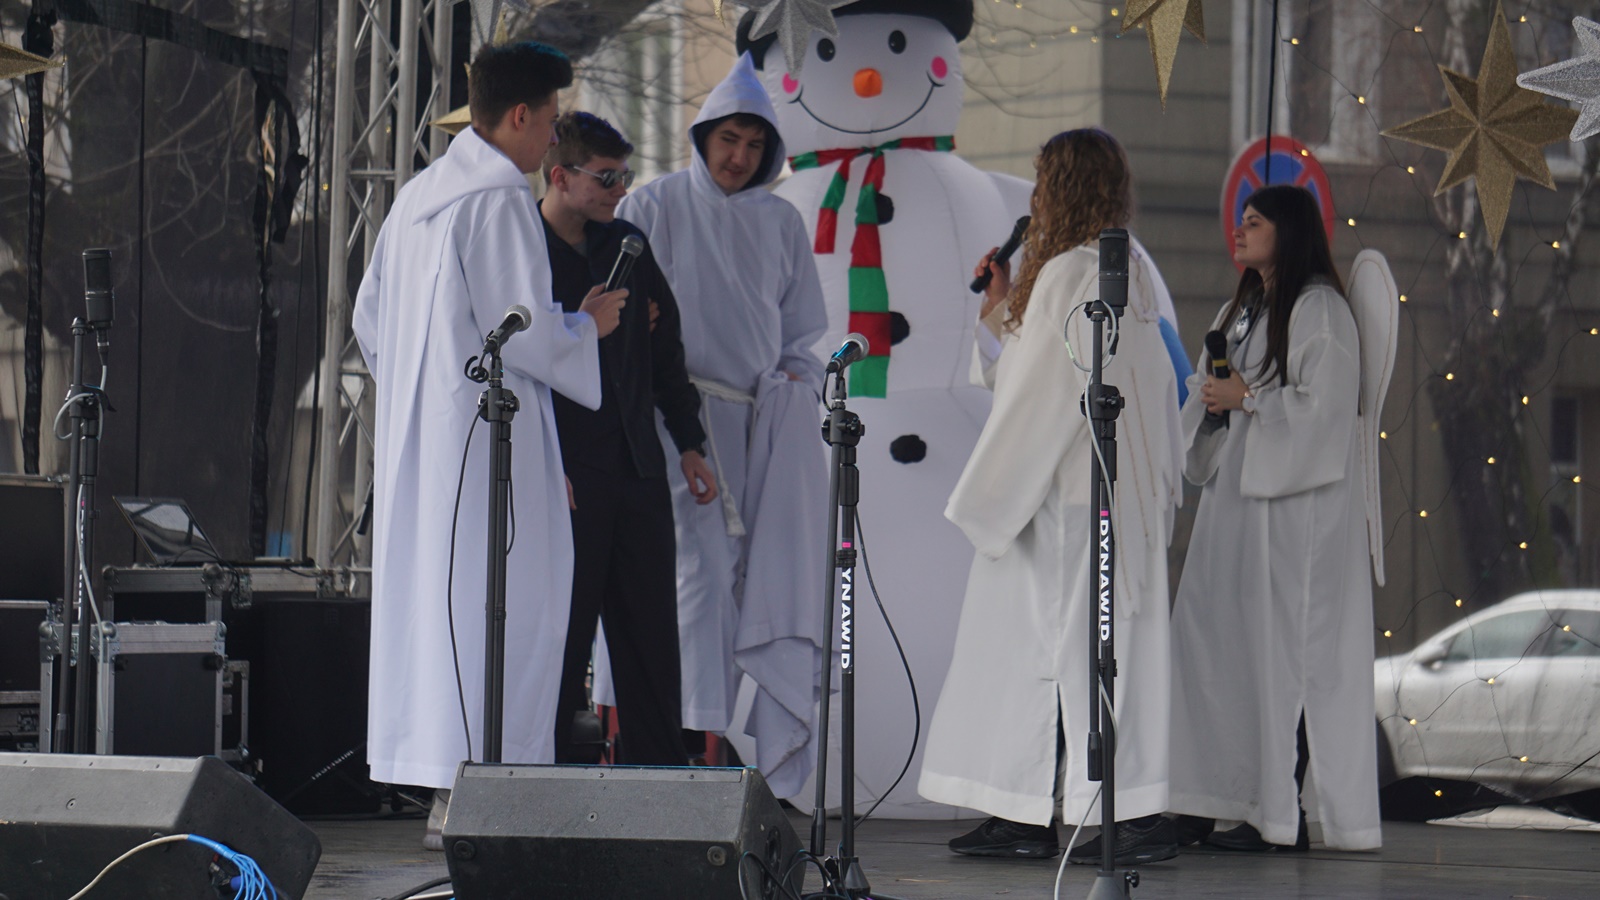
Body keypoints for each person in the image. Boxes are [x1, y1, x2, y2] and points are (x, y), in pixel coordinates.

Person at [352, 42, 626, 849]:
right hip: (488, 439)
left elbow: (369, 319)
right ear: (520, 116)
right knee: (509, 601)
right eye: (550, 123)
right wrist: (587, 326)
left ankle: (450, 783)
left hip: (427, 440)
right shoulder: (500, 199)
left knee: (442, 606)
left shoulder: (418, 196)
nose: (552, 140)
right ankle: (488, 789)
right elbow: (525, 331)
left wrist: (421, 390)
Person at [918, 129, 1184, 863]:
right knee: (1097, 656)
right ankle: (1076, 809)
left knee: (1041, 656)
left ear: (1061, 188)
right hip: (1114, 496)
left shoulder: (1071, 271)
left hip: (1063, 501)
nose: (1033, 199)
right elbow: (1055, 371)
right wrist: (1005, 306)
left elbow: (1036, 396)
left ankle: (1048, 813)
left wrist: (987, 500)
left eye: (1042, 183)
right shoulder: (1124, 268)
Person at [605, 53, 829, 797]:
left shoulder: (782, 221)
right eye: (729, 139)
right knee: (686, 574)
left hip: (753, 425)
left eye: (755, 144)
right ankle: (675, 732)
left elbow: (801, 333)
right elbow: (616, 307)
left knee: (738, 581)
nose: (740, 156)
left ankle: (712, 731)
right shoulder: (655, 205)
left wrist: (793, 388)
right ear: (703, 136)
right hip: (669, 420)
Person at [1166, 183, 1382, 851]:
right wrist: (1214, 402)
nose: (1240, 230)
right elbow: (1214, 396)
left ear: (1287, 230)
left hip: (1290, 521)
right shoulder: (1241, 309)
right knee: (1212, 649)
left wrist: (1250, 399)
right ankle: (1202, 796)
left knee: (1275, 661)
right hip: (1233, 512)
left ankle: (1273, 815)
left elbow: (1325, 415)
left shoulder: (1321, 311)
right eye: (1241, 219)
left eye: (1254, 221)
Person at [537, 111, 717, 766]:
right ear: (561, 176)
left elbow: (666, 353)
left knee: (650, 636)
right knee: (563, 636)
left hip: (637, 465)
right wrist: (579, 325)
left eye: (625, 175)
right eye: (606, 177)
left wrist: (689, 442)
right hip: (568, 474)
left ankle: (658, 781)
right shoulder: (524, 247)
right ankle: (543, 778)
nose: (621, 189)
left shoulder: (627, 245)